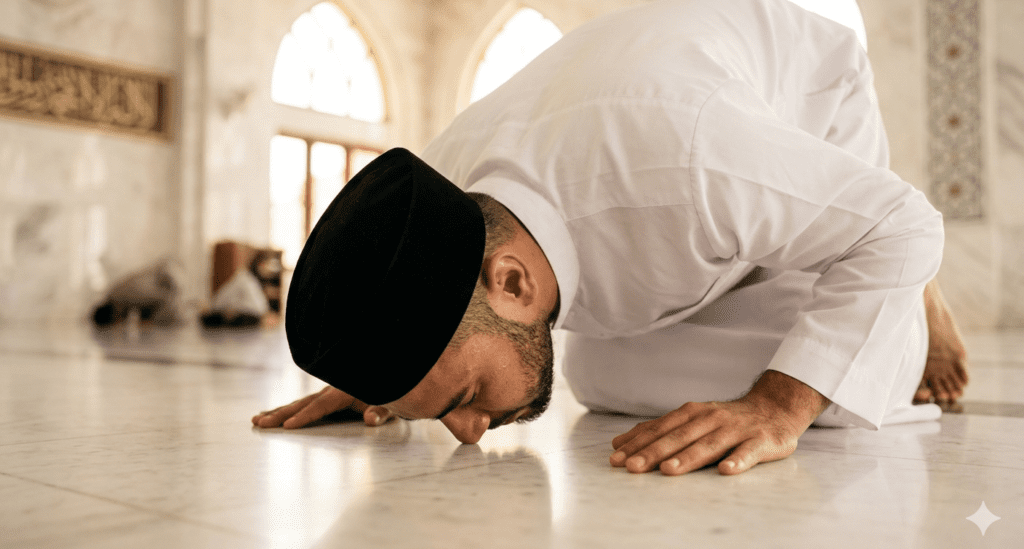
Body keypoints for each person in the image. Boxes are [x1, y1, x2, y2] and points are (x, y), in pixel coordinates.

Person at [253, 0, 969, 475]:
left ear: (510, 278)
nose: (469, 431)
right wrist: (388, 377)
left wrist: (778, 406)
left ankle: (911, 291)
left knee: (836, 396)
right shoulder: (448, 184)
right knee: (604, 383)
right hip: (663, 170)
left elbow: (904, 225)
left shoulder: (688, 154)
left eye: (460, 394)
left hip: (806, 116)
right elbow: (388, 278)